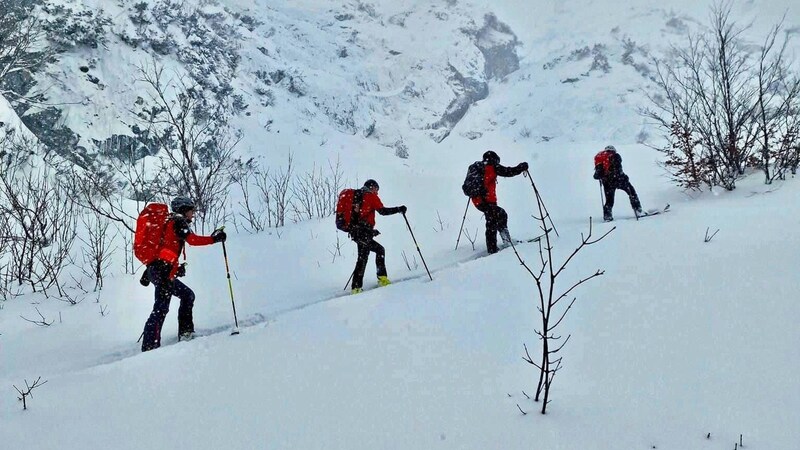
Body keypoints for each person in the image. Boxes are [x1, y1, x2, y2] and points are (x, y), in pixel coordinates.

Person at [141, 196, 226, 352]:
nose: (193, 213)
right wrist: (214, 239)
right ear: (183, 210)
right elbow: (192, 240)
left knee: (186, 296)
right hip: (163, 273)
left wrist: (174, 268)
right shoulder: (178, 222)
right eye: (191, 210)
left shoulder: (169, 222)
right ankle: (150, 346)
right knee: (161, 308)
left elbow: (165, 247)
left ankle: (183, 332)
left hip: (158, 270)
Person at [346, 179, 406, 295]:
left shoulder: (357, 197)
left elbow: (360, 217)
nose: (377, 193)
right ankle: (361, 286)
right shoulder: (370, 196)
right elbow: (382, 211)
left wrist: (371, 231)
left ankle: (360, 285)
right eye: (377, 190)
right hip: (363, 233)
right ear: (372, 187)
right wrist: (399, 209)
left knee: (368, 255)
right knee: (368, 255)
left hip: (357, 232)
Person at [468, 151, 529, 254]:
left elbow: (507, 171)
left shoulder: (479, 168)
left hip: (482, 201)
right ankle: (500, 244)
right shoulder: (490, 167)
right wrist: (520, 167)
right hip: (485, 201)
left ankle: (495, 246)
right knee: (499, 216)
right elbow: (508, 172)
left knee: (493, 220)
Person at [593, 145, 643, 222]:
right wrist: (624, 178)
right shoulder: (615, 156)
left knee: (609, 200)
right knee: (632, 192)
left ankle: (607, 216)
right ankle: (638, 210)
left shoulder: (600, 159)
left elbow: (596, 175)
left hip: (607, 183)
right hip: (619, 180)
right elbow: (618, 169)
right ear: (613, 151)